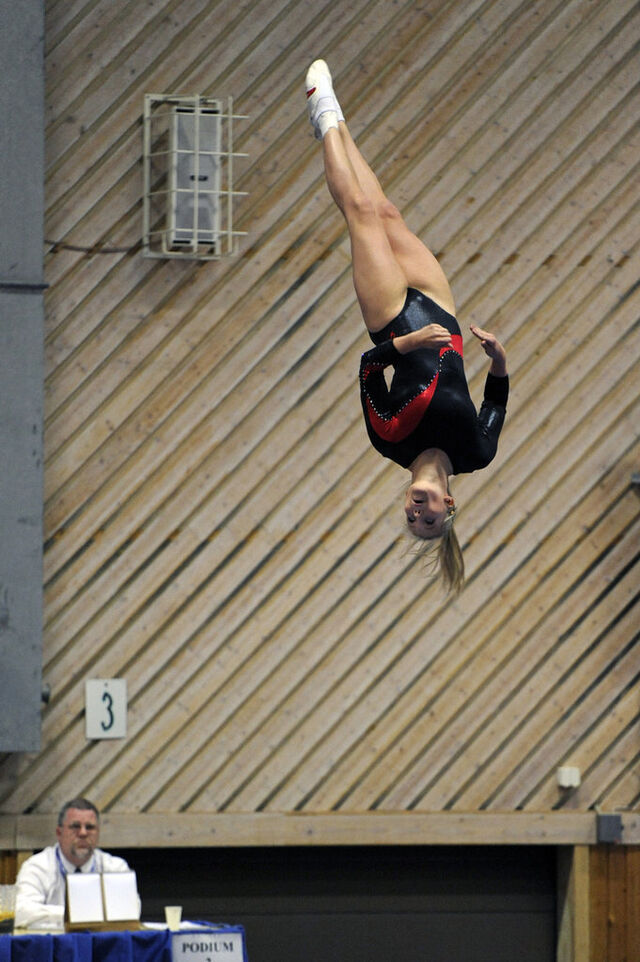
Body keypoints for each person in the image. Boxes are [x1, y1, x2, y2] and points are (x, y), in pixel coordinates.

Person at [304, 60, 509, 592]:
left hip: (393, 318)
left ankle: (321, 108)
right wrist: (499, 361)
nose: (418, 512)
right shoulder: (477, 452)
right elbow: (495, 403)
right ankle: (338, 123)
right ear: (449, 505)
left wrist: (409, 341)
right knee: (387, 212)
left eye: (411, 518)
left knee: (359, 211)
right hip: (442, 310)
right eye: (430, 520)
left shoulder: (390, 440)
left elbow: (368, 370)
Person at [14, 797, 138, 930]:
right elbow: (21, 912)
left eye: (89, 827)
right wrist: (73, 914)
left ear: (98, 833)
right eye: (75, 826)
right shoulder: (36, 867)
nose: (83, 833)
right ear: (59, 833)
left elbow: (132, 909)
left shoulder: (115, 868)